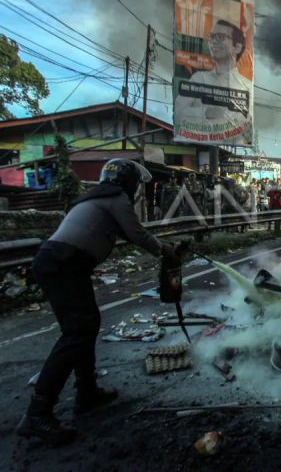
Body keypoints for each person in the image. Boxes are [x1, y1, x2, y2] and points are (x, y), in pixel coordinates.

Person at [16, 159, 174, 444]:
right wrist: (165, 250)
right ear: (128, 182)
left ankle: (87, 392)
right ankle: (37, 414)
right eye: (137, 183)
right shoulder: (115, 199)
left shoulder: (96, 197)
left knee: (85, 327)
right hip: (63, 264)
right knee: (77, 332)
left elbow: (128, 233)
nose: (137, 188)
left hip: (60, 263)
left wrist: (161, 248)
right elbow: (137, 233)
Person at [173, 19, 252, 130]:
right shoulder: (199, 78)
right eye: (211, 37)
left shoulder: (247, 86)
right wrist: (205, 112)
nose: (213, 42)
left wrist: (194, 112)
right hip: (196, 141)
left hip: (227, 144)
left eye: (220, 37)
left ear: (237, 47)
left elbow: (245, 123)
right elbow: (177, 113)